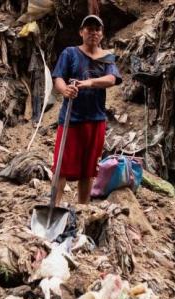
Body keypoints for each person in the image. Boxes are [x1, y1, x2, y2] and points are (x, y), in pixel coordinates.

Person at [50, 14, 122, 205]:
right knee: (61, 166)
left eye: (97, 29)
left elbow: (112, 79)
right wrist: (64, 90)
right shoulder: (70, 53)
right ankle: (54, 207)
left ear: (102, 34)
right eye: (89, 29)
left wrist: (89, 82)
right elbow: (58, 77)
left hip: (96, 119)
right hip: (71, 119)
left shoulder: (107, 58)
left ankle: (83, 208)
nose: (93, 32)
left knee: (88, 169)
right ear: (81, 32)